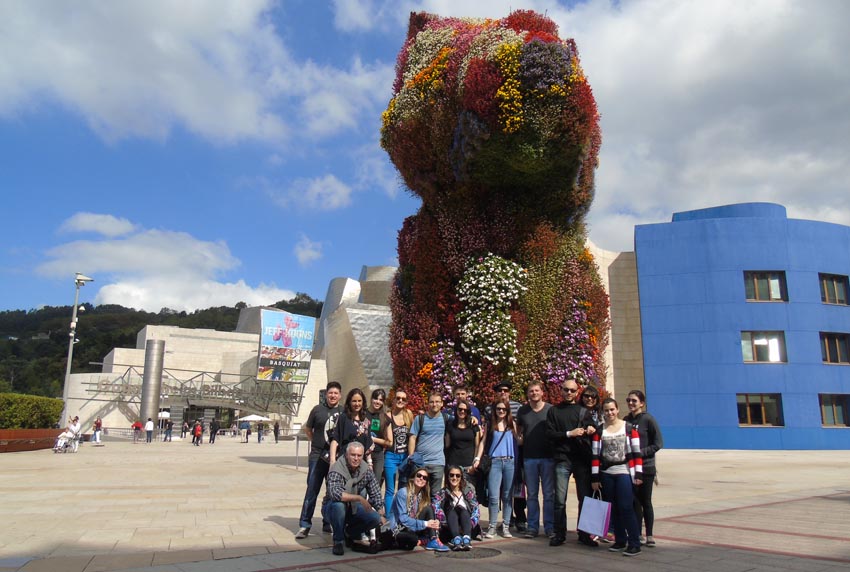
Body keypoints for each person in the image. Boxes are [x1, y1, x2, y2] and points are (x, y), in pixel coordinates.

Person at [546, 378, 599, 548]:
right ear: (560, 390)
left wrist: (591, 429)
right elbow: (550, 434)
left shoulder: (583, 411)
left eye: (572, 390)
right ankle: (559, 533)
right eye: (566, 389)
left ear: (577, 392)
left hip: (581, 460)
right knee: (560, 499)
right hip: (562, 459)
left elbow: (592, 427)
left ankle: (584, 534)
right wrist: (570, 433)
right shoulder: (554, 411)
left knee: (584, 498)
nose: (569, 393)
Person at [591, 398, 644, 556]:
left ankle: (634, 542)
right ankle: (620, 540)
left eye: (612, 409)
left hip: (624, 472)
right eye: (606, 410)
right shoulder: (600, 431)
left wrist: (639, 474)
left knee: (626, 507)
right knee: (613, 508)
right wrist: (595, 478)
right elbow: (595, 456)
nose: (610, 413)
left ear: (617, 409)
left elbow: (637, 452)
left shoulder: (628, 428)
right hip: (607, 474)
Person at [295, 381, 342, 539]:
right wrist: (316, 443)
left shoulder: (343, 412)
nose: (333, 396)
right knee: (312, 490)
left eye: (336, 393)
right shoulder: (317, 410)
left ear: (340, 395)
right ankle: (304, 525)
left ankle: (327, 522)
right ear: (326, 394)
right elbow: (309, 429)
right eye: (330, 393)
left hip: (334, 458)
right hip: (317, 456)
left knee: (332, 491)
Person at [322, 442, 385, 556]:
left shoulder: (365, 469)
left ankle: (349, 533)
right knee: (339, 505)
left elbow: (375, 491)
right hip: (332, 508)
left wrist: (381, 513)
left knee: (375, 518)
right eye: (353, 455)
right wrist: (359, 498)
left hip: (353, 507)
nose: (356, 458)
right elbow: (335, 494)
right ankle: (338, 541)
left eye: (359, 455)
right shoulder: (336, 468)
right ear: (346, 455)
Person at [623, 389, 663, 547]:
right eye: (629, 400)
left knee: (645, 501)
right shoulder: (625, 421)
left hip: (646, 467)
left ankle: (650, 535)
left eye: (634, 400)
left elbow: (658, 443)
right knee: (634, 502)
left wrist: (641, 453)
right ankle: (637, 533)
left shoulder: (648, 420)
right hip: (631, 468)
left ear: (642, 403)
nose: (631, 403)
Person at [516, 381, 554, 539]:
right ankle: (532, 527)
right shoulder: (523, 411)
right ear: (528, 394)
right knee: (531, 494)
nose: (534, 393)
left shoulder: (550, 410)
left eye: (536, 390)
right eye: (531, 391)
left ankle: (550, 527)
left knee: (549, 495)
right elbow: (519, 433)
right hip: (530, 458)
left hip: (548, 458)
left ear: (542, 392)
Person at [388, 468, 449, 552]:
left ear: (426, 482)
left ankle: (433, 539)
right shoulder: (403, 493)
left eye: (425, 478)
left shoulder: (422, 495)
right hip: (399, 529)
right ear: (413, 478)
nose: (421, 479)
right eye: (419, 476)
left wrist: (434, 522)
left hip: (413, 526)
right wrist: (426, 523)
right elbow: (403, 520)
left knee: (429, 508)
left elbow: (427, 513)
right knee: (412, 540)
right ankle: (423, 540)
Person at [482, 398, 518, 538]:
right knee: (493, 496)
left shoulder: (512, 424)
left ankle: (506, 526)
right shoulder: (490, 424)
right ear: (495, 411)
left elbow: (518, 442)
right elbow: (484, 442)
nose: (501, 411)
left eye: (504, 409)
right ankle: (492, 526)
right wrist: (478, 458)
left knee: (508, 496)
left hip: (510, 462)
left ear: (508, 410)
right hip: (495, 462)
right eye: (498, 409)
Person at [408, 392, 448, 497]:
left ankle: (434, 514)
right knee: (418, 494)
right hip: (421, 462)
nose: (434, 404)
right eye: (432, 402)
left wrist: (473, 419)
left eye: (437, 402)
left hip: (438, 462)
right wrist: (411, 457)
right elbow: (412, 437)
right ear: (428, 404)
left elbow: (461, 422)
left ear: (442, 403)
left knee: (435, 496)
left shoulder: (446, 419)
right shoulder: (420, 419)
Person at [434, 466, 479, 551]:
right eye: (452, 475)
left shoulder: (467, 491)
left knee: (463, 510)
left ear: (461, 477)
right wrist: (446, 523)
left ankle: (466, 539)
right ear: (448, 477)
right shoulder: (442, 493)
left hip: (467, 525)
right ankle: (456, 539)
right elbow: (436, 508)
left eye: (457, 475)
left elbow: (476, 510)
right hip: (449, 527)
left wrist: (470, 524)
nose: (454, 478)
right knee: (452, 510)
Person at [383, 390, 412, 511]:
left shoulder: (409, 414)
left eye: (403, 399)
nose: (400, 401)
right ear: (393, 400)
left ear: (406, 402)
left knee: (403, 488)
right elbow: (388, 439)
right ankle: (389, 519)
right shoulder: (388, 416)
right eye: (398, 398)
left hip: (405, 456)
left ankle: (400, 516)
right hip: (391, 455)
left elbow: (412, 436)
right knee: (390, 489)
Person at [328, 388, 373, 466]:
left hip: (360, 462)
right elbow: (335, 440)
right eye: (354, 401)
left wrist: (369, 463)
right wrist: (332, 461)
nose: (357, 404)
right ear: (349, 402)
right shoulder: (343, 418)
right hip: (344, 461)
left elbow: (368, 445)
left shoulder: (366, 421)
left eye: (359, 401)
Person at [445, 399, 480, 480]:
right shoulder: (451, 425)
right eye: (460, 409)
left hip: (468, 464)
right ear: (456, 410)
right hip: (453, 464)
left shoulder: (473, 426)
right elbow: (447, 445)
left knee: (469, 491)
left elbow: (477, 446)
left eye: (465, 410)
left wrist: (474, 464)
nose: (462, 411)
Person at [365, 388, 389, 495]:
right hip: (363, 454)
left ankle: (373, 508)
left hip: (378, 455)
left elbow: (389, 442)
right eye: (376, 398)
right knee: (362, 484)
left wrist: (373, 439)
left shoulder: (384, 417)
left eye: (381, 400)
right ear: (371, 399)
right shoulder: (363, 413)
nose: (377, 402)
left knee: (376, 484)